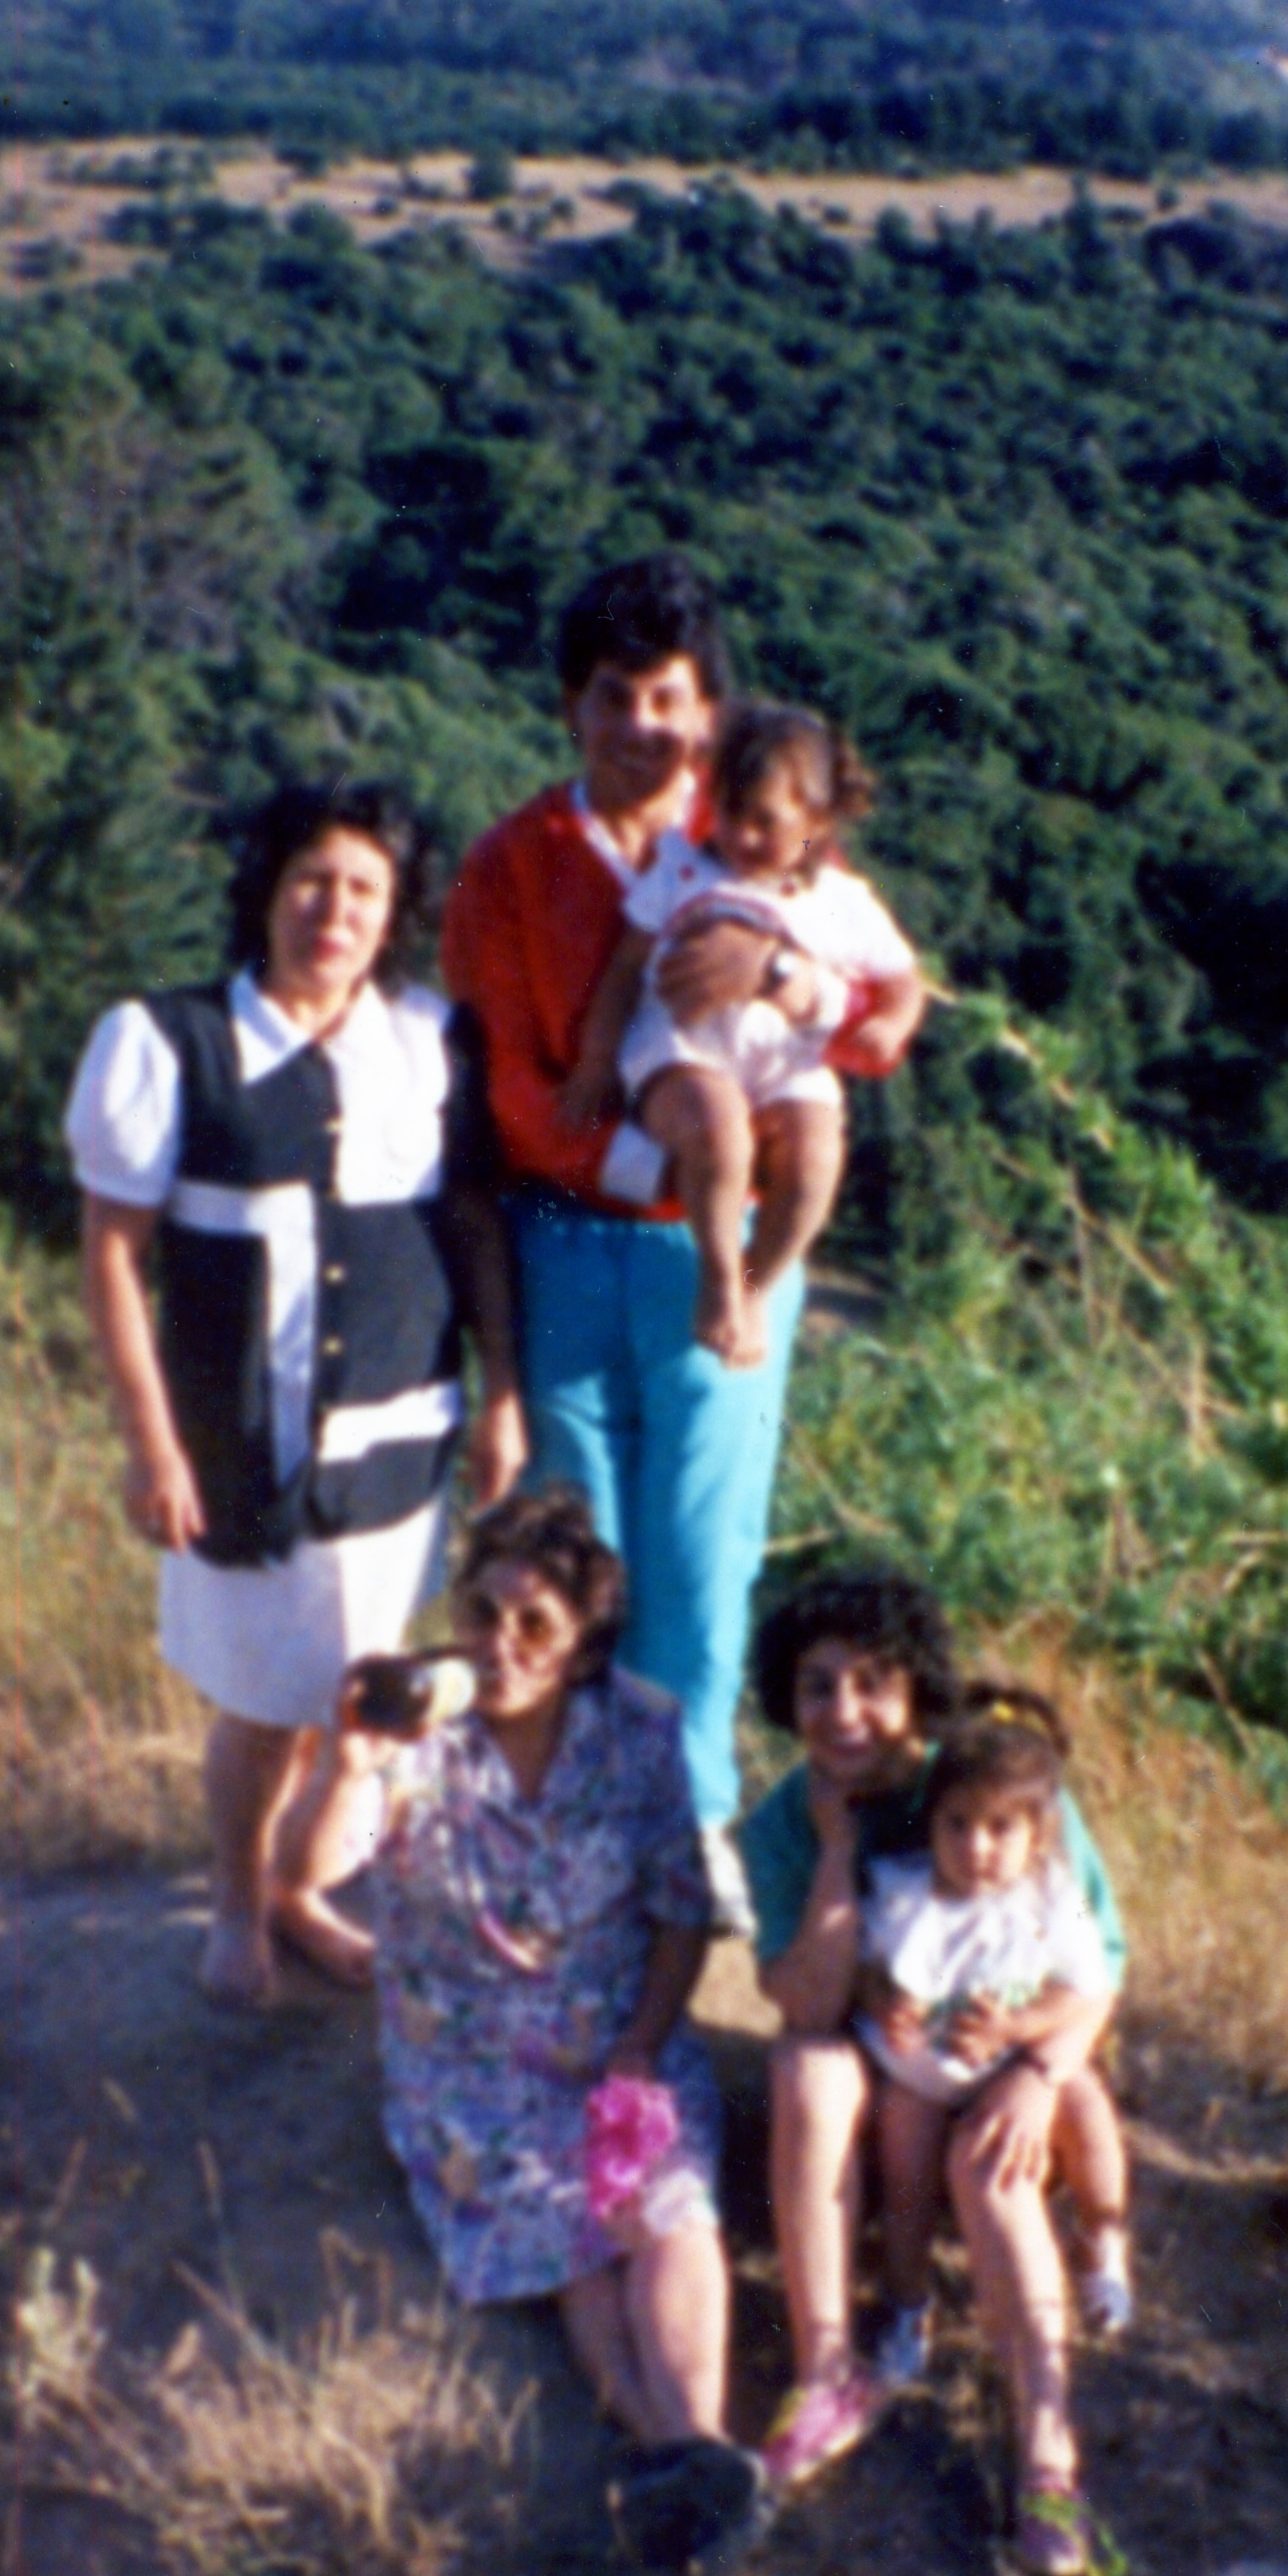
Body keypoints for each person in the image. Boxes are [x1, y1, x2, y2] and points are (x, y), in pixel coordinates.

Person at [440, 554, 904, 1895]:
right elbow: (502, 1104)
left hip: (725, 1264)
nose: (645, 724)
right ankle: (556, 1831)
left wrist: (791, 977)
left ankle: (684, 1846)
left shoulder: (761, 830)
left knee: (702, 1575)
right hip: (569, 1246)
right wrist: (502, 1366)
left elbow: (884, 1016)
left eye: (671, 696)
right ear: (572, 708)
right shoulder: (511, 866)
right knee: (568, 1571)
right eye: (614, 695)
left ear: (708, 710)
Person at [65, 781, 527, 2010]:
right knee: (267, 1703)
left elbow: (471, 1224)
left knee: (366, 1696)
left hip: (396, 1437)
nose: (335, 910)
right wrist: (149, 1441)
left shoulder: (428, 1042)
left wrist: (500, 1398)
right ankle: (236, 1906)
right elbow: (112, 1254)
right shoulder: (169, 1042)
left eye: (364, 889)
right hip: (240, 1444)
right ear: (267, 893)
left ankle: (297, 1891)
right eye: (311, 882)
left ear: (394, 914)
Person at [284, 1487, 770, 2571]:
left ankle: (688, 2457)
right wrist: (344, 1768)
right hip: (472, 2056)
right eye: (481, 1612)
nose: (496, 1645)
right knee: (569, 2235)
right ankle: (692, 2457)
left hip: (614, 2032)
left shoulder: (638, 1733)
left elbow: (682, 1908)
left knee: (663, 2201)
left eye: (532, 1625)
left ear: (581, 1647)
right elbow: (307, 1871)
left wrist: (644, 2039)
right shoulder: (419, 1738)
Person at [738, 1573, 1130, 2576]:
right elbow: (805, 2003)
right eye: (817, 1686)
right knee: (804, 2070)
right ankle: (827, 2371)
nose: (843, 1712)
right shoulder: (787, 1819)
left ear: (916, 1689)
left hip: (1005, 2064)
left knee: (991, 2168)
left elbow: (1106, 1962)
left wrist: (1041, 2073)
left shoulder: (996, 1780)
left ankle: (1050, 2463)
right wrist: (834, 1855)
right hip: (886, 2085)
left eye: (871, 1683)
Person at [558, 700, 926, 1369]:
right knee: (720, 1130)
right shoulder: (684, 867)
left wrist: (891, 1020)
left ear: (815, 824)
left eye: (766, 822)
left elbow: (903, 977)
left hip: (786, 1059)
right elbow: (625, 966)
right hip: (685, 1046)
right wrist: (596, 1057)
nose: (741, 835)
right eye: (730, 813)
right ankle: (720, 1276)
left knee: (817, 1160)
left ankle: (757, 1284)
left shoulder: (842, 900)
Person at [856, 1688, 1128, 2397]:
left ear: (1038, 1835)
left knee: (1089, 2110)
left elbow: (1083, 1986)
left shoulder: (1048, 1899)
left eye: (1000, 1828)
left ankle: (1103, 2239)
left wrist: (1016, 2027)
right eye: (957, 1825)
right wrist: (886, 2006)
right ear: (931, 1823)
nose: (975, 1846)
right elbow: (863, 1971)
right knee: (904, 2146)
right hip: (924, 2070)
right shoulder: (905, 1895)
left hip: (1015, 2066)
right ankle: (906, 2301)